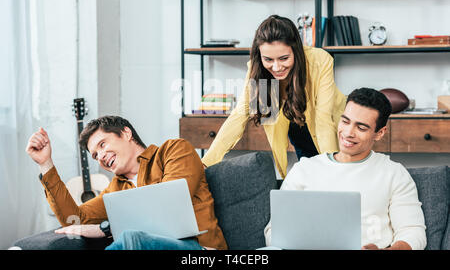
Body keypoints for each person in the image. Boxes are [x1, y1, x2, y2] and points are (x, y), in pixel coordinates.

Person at [26, 115, 227, 250]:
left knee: (131, 238)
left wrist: (104, 229)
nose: (101, 157)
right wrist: (46, 164)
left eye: (103, 144)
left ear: (126, 133)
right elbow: (75, 219)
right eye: (95, 155)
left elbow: (168, 207)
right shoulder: (116, 188)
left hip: (199, 249)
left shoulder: (173, 151)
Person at [264, 87, 427, 250]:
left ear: (379, 133)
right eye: (345, 121)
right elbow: (274, 232)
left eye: (361, 128)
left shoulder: (394, 173)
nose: (348, 133)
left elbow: (412, 232)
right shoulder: (304, 169)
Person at [202, 15, 347, 178]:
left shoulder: (319, 60)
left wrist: (334, 169)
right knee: (311, 178)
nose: (277, 67)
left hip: (334, 128)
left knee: (335, 179)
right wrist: (206, 163)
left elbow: (323, 121)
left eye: (284, 58)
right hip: (297, 125)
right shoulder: (258, 70)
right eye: (268, 59)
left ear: (296, 50)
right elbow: (239, 115)